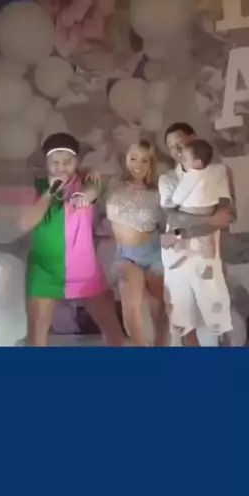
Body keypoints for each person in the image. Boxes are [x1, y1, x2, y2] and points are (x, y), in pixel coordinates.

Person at [18, 132, 125, 347]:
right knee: (37, 334)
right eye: (55, 163)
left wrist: (82, 196)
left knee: (111, 328)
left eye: (67, 162)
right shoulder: (36, 186)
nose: (61, 168)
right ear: (46, 163)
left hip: (83, 268)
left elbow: (92, 191)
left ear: (76, 162)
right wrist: (50, 193)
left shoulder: (87, 180)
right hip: (44, 270)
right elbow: (24, 224)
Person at [159, 123, 233, 347]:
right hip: (177, 257)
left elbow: (223, 216)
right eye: (171, 146)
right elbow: (173, 217)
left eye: (180, 143)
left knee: (216, 317)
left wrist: (183, 231)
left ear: (193, 139)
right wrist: (207, 221)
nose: (176, 150)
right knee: (183, 318)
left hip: (206, 255)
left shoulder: (216, 172)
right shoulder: (167, 179)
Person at [105, 140, 167, 346]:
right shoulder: (113, 185)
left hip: (153, 252)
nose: (138, 165)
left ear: (151, 164)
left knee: (160, 309)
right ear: (126, 159)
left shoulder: (157, 192)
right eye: (133, 158)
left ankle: (161, 349)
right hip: (126, 255)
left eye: (144, 160)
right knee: (131, 309)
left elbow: (167, 224)